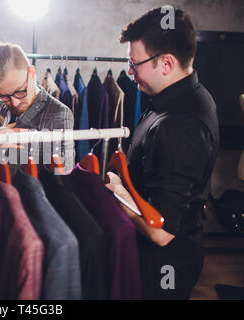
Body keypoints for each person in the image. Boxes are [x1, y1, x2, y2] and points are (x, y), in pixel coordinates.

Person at [105, 7, 219, 299]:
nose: (130, 73)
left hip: (162, 269)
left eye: (135, 64)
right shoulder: (177, 96)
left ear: (166, 63)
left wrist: (116, 191)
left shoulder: (181, 126)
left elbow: (161, 232)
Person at [0, 42, 75, 172]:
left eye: (20, 91)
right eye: (4, 96)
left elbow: (65, 174)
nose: (14, 103)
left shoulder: (59, 113)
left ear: (32, 73)